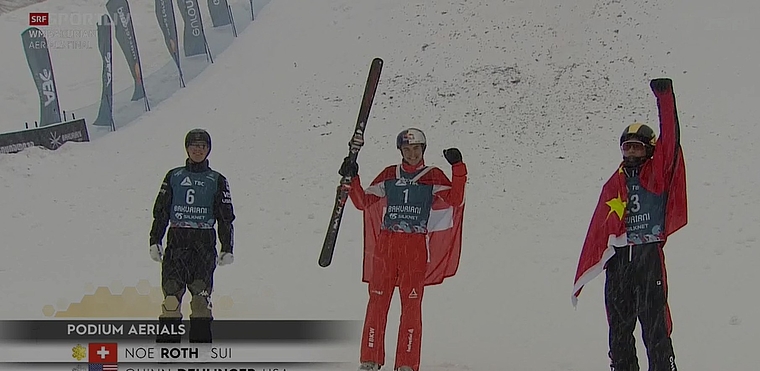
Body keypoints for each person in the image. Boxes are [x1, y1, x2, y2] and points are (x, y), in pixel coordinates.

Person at [572, 78, 687, 371]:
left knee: (655, 327)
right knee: (619, 331)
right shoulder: (615, 182)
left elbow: (671, 141)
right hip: (619, 261)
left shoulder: (657, 174)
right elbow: (600, 226)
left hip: (648, 257)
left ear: (649, 150)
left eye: (637, 148)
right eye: (627, 148)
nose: (632, 153)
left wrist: (664, 97)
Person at [338, 127, 467, 371]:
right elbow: (362, 202)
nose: (412, 154)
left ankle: (407, 363)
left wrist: (458, 167)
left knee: (411, 306)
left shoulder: (433, 175)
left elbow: (455, 199)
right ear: (400, 151)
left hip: (415, 247)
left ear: (423, 150)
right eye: (407, 149)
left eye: (416, 148)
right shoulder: (389, 174)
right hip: (386, 247)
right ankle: (370, 359)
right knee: (377, 302)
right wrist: (352, 177)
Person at [148, 128, 236, 343]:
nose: (198, 150)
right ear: (187, 148)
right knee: (171, 299)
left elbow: (226, 216)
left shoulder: (217, 179)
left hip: (203, 244)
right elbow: (161, 210)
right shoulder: (174, 176)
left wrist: (227, 247)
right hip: (177, 242)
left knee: (200, 301)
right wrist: (155, 239)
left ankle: (201, 352)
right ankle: (168, 352)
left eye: (203, 146)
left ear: (208, 150)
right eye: (194, 145)